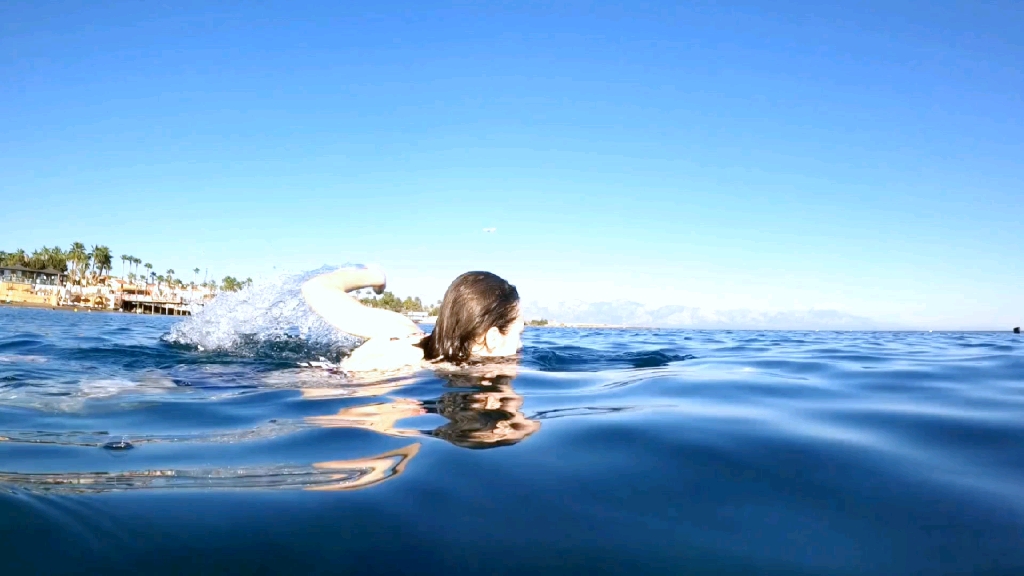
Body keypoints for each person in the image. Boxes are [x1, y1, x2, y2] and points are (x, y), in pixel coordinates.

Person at [301, 267, 525, 372]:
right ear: (493, 337)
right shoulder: (404, 366)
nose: (521, 345)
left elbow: (315, 287)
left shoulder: (401, 329)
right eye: (519, 334)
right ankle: (375, 276)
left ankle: (374, 275)